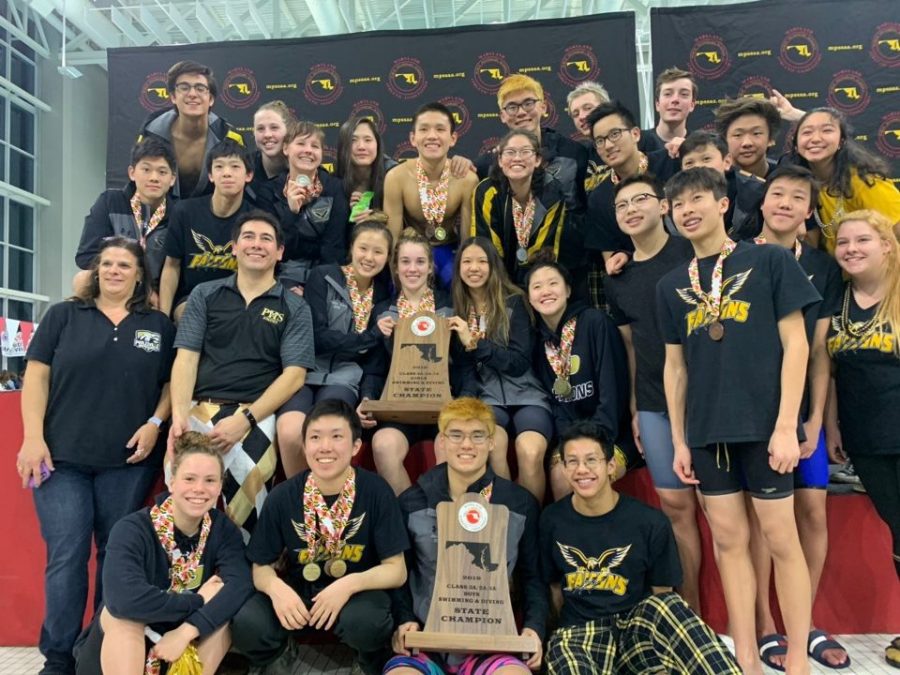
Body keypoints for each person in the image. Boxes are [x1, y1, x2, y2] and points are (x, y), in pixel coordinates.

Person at [656, 167, 820, 675]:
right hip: (708, 432)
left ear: (723, 204)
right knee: (729, 543)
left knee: (781, 540)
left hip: (765, 424)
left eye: (698, 199)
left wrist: (786, 425)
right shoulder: (669, 285)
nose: (687, 210)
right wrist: (680, 442)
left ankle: (796, 658)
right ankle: (745, 658)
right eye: (678, 204)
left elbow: (798, 345)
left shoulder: (768, 259)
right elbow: (675, 367)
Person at [17, 237, 175, 675]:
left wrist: (155, 422)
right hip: (60, 461)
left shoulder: (157, 325)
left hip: (126, 464)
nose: (114, 271)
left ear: (140, 274)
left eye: (125, 264)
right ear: (94, 271)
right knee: (67, 553)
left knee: (116, 556)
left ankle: (99, 651)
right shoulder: (64, 316)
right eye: (106, 263)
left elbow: (168, 385)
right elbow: (36, 379)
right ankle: (59, 657)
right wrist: (33, 438)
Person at [540, 422, 741, 675]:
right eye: (572, 462)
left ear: (610, 466)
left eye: (591, 460)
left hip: (635, 628)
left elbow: (661, 593)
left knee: (668, 605)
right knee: (564, 653)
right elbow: (554, 590)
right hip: (580, 634)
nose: (582, 470)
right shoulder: (551, 520)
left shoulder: (649, 521)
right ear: (565, 469)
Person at [749, 166, 847, 671]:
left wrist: (816, 421)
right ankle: (766, 624)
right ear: (761, 204)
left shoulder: (823, 267)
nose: (785, 203)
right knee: (765, 523)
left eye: (797, 197)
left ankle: (801, 626)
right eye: (777, 194)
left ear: (809, 210)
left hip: (802, 413)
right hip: (750, 411)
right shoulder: (737, 258)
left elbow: (819, 352)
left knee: (810, 511)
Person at [230, 399, 409, 675]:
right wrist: (276, 589)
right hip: (302, 589)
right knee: (247, 622)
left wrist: (349, 584)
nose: (325, 447)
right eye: (315, 437)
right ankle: (278, 654)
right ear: (304, 445)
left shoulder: (376, 491)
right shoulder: (284, 495)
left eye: (337, 437)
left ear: (356, 447)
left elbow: (397, 571)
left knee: (366, 622)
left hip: (358, 594)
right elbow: (260, 565)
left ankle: (366, 660)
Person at [168, 211, 313, 530]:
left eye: (266, 239)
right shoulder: (204, 295)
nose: (257, 245)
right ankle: (190, 570)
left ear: (279, 252)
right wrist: (179, 416)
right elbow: (186, 359)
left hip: (256, 412)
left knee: (250, 477)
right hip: (200, 408)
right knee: (183, 481)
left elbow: (294, 377)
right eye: (249, 237)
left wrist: (244, 420)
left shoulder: (294, 307)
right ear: (234, 247)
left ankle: (244, 573)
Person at [385, 397, 547, 674]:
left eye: (477, 436)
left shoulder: (519, 504)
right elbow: (400, 573)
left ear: (492, 442)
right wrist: (404, 620)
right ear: (442, 442)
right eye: (456, 435)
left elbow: (533, 577)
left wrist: (534, 627)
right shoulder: (412, 502)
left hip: (491, 643)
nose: (467, 445)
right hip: (427, 641)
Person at [73, 432, 253, 675]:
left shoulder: (222, 529)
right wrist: (197, 600)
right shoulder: (133, 529)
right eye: (189, 478)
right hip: (117, 651)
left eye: (210, 480)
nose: (199, 489)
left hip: (180, 643)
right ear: (171, 481)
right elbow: (124, 599)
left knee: (224, 621)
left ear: (220, 485)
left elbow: (239, 585)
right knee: (122, 616)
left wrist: (186, 631)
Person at [603, 175, 700, 612]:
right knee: (677, 509)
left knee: (730, 512)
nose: (631, 208)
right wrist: (636, 409)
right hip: (656, 404)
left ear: (664, 206)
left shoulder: (692, 253)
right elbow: (630, 349)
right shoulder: (619, 278)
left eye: (640, 198)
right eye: (622, 205)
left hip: (710, 400)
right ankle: (689, 611)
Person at [824, 209, 900, 670]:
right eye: (843, 242)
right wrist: (832, 426)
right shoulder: (839, 299)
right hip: (866, 438)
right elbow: (829, 372)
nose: (851, 248)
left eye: (863, 240)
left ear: (887, 245)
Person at [448, 237, 552, 500]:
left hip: (527, 393)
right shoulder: (456, 310)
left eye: (482, 261)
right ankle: (507, 516)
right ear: (458, 267)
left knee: (529, 450)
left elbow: (518, 363)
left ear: (493, 266)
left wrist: (475, 343)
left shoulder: (515, 301)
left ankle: (530, 519)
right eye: (467, 261)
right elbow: (462, 368)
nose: (474, 268)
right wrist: (466, 402)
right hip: (487, 397)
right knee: (494, 447)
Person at [525, 259, 633, 499]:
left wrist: (594, 442)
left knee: (587, 472)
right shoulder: (538, 343)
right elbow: (556, 406)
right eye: (537, 287)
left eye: (553, 283)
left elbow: (612, 391)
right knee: (561, 477)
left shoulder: (595, 323)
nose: (546, 292)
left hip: (612, 434)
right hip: (571, 438)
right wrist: (571, 442)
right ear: (530, 298)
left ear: (568, 290)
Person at [476, 74, 589, 292]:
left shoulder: (575, 153)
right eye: (511, 107)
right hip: (510, 274)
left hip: (568, 266)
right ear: (502, 115)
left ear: (543, 107)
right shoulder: (486, 164)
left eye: (528, 103)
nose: (520, 112)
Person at [369, 228, 454, 495]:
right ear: (395, 267)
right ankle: (410, 515)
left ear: (430, 267)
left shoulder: (451, 306)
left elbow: (463, 363)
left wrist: (465, 402)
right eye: (405, 261)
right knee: (383, 445)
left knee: (450, 446)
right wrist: (367, 398)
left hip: (443, 405)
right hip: (400, 405)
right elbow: (375, 365)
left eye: (420, 262)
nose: (412, 269)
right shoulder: (382, 310)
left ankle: (438, 522)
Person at [297, 217, 393, 437]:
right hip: (307, 370)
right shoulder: (324, 276)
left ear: (388, 257)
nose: (369, 258)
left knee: (327, 428)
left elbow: (373, 359)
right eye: (363, 248)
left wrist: (368, 397)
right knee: (291, 430)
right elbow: (318, 337)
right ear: (351, 248)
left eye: (378, 252)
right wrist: (369, 337)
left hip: (347, 377)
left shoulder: (383, 296)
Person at [583, 100, 680, 307]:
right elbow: (612, 264)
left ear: (635, 134)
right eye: (600, 141)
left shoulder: (672, 162)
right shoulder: (599, 198)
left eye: (615, 134)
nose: (608, 145)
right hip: (647, 290)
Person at [383, 102, 479, 288]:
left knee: (459, 282)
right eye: (424, 129)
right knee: (395, 285)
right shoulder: (396, 177)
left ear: (453, 138)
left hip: (447, 250)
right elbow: (392, 239)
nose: (432, 136)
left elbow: (468, 240)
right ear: (413, 138)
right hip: (410, 251)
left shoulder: (467, 179)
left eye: (440, 129)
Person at [158, 138, 254, 321]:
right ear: (210, 175)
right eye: (219, 167)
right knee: (191, 314)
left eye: (235, 167)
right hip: (190, 300)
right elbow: (171, 266)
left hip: (237, 301)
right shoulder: (185, 211)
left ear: (248, 175)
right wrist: (162, 318)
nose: (227, 173)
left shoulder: (255, 218)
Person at [74, 137, 177, 300]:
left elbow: (177, 268)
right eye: (146, 170)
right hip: (114, 282)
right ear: (132, 173)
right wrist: (127, 278)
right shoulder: (110, 202)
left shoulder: (179, 213)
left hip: (156, 291)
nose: (154, 178)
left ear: (172, 179)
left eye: (162, 172)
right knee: (82, 280)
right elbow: (85, 256)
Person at [790, 107, 900, 255]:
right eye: (807, 132)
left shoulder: (865, 182)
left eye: (827, 131)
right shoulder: (802, 182)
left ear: (841, 142)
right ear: (796, 145)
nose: (815, 139)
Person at [471, 129, 568, 287]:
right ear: (501, 160)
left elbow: (545, 251)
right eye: (510, 152)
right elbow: (487, 247)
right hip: (495, 279)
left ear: (537, 160)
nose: (517, 158)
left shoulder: (552, 193)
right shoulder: (487, 191)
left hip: (537, 279)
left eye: (525, 152)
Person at [263, 120, 351, 290]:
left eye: (315, 146)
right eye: (301, 143)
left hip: (323, 276)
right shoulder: (269, 191)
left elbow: (334, 246)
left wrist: (314, 288)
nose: (308, 150)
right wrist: (292, 212)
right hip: (280, 275)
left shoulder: (335, 188)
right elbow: (276, 249)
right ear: (286, 148)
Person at [138, 60, 244, 200]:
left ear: (211, 99)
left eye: (200, 88)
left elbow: (242, 188)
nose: (192, 94)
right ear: (173, 97)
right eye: (184, 87)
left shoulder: (230, 137)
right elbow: (139, 182)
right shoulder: (150, 133)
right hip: (162, 214)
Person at [679, 130, 766, 241]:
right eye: (689, 163)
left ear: (727, 161)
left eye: (706, 159)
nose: (698, 167)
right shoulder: (674, 202)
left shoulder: (756, 193)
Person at [336, 116, 398, 224]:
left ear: (377, 145)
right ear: (344, 146)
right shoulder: (334, 182)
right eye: (353, 140)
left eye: (368, 140)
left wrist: (372, 217)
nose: (361, 146)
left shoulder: (394, 175)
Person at [714, 97, 780, 180]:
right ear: (725, 140)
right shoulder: (714, 181)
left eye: (756, 133)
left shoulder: (786, 178)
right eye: (738, 135)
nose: (747, 143)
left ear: (771, 139)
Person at [565, 80, 610, 194]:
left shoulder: (637, 143)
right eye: (575, 114)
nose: (581, 116)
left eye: (588, 108)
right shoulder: (578, 158)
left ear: (606, 107)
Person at [640, 67, 697, 155]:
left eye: (684, 94)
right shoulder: (637, 143)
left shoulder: (699, 146)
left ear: (692, 104)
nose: (675, 99)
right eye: (668, 94)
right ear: (657, 104)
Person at [249, 100, 296, 205]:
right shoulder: (243, 168)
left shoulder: (305, 169)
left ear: (288, 131)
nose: (267, 134)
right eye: (260, 129)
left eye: (274, 127)